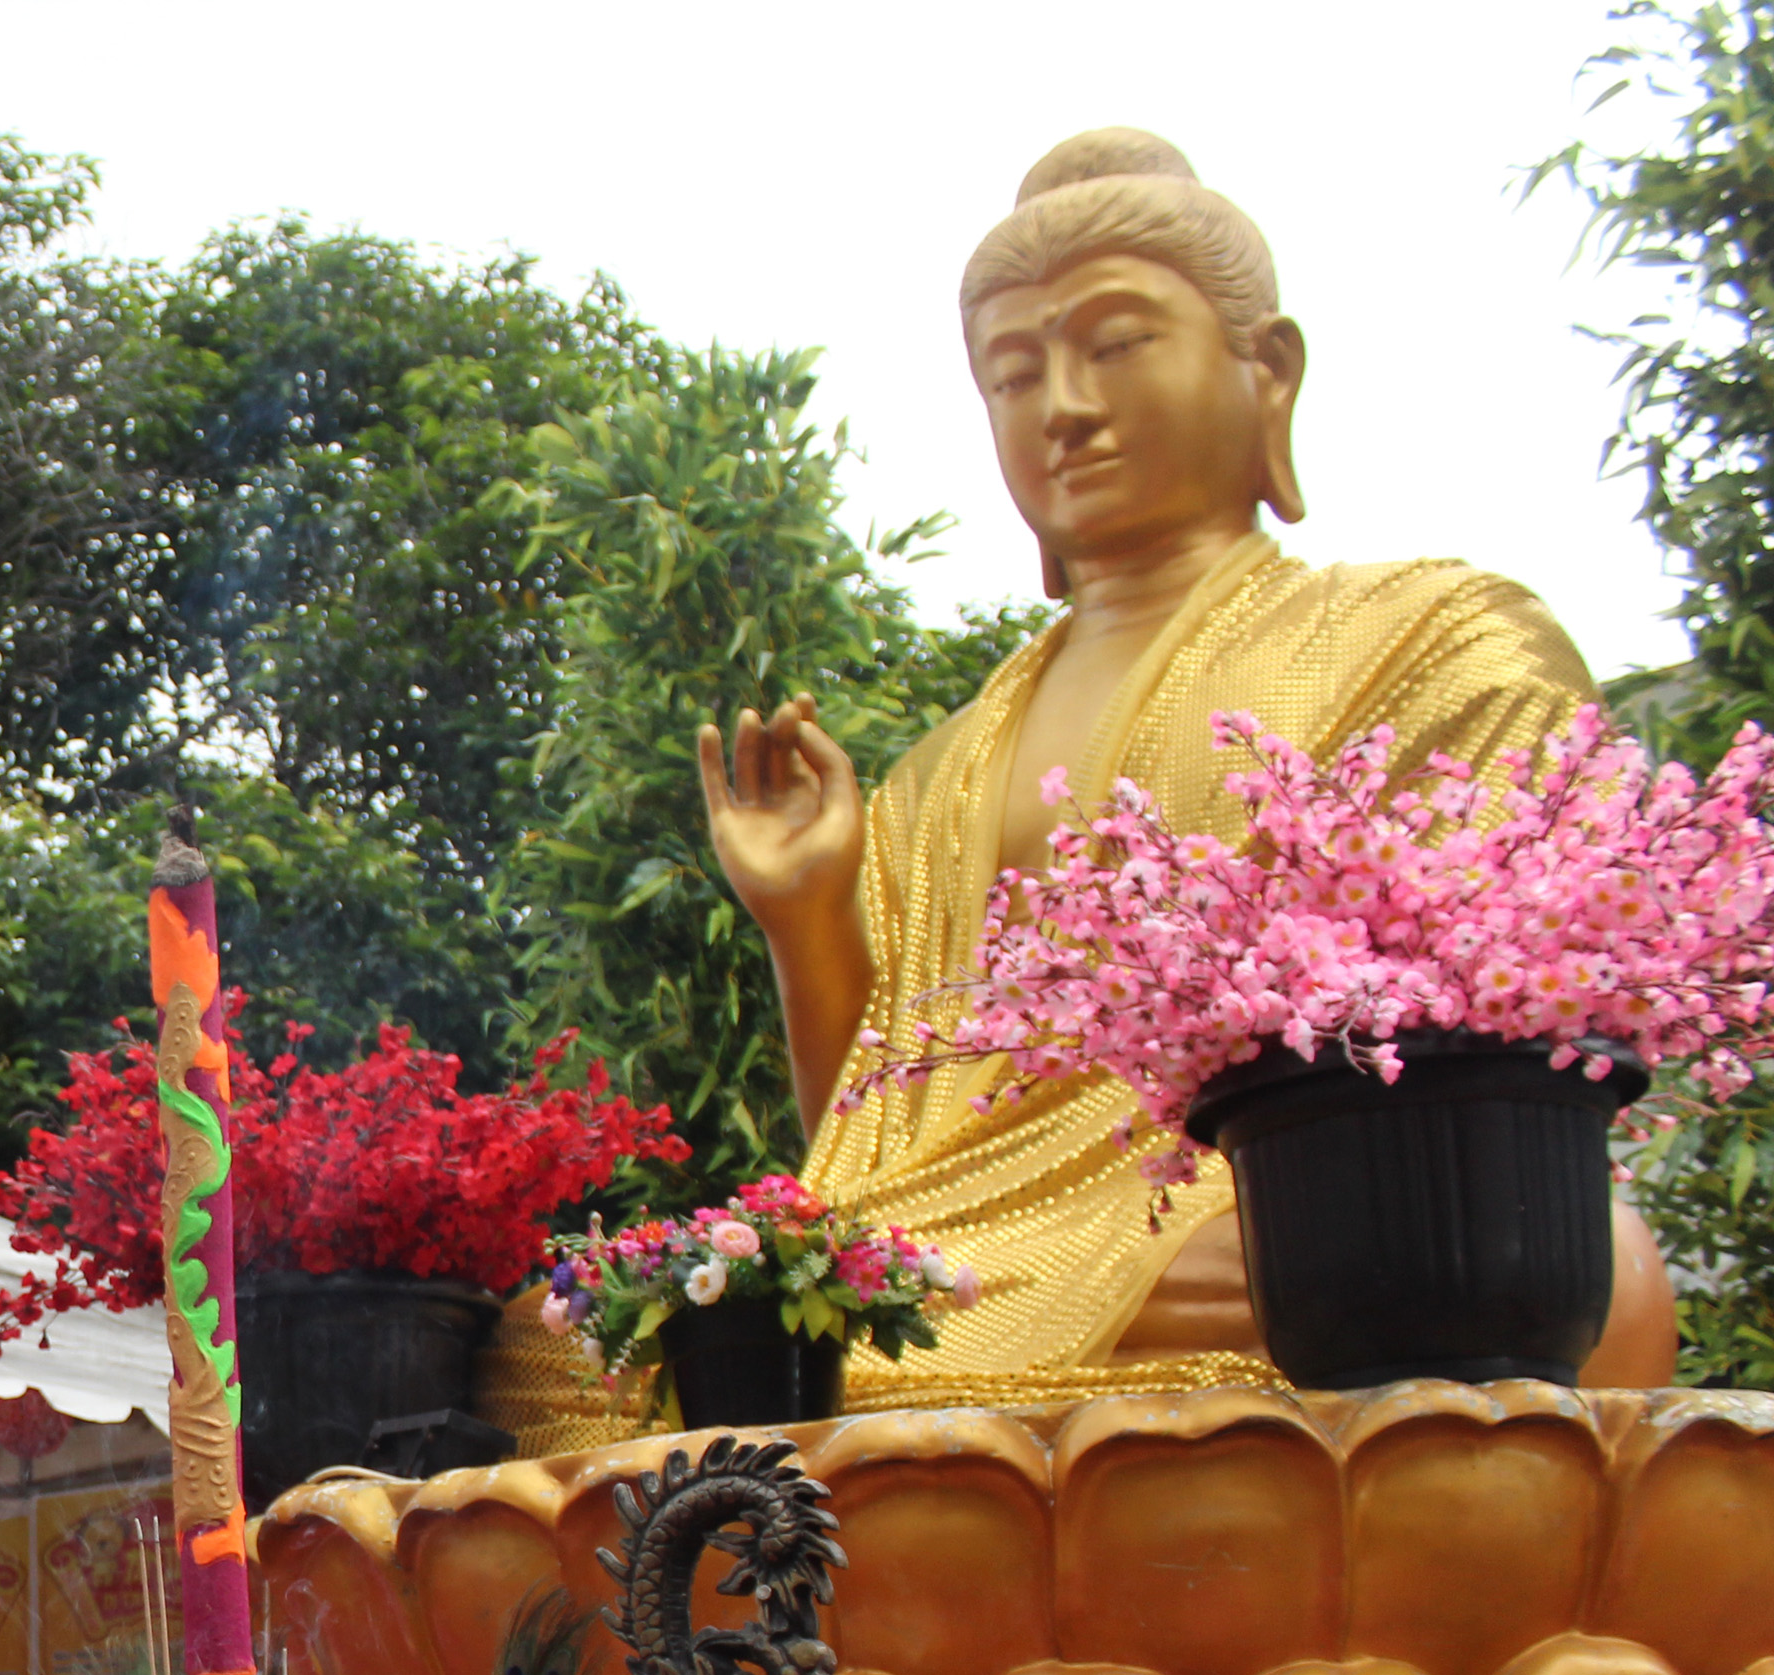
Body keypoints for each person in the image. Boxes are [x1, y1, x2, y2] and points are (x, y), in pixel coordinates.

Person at [486, 128, 1673, 1449]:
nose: (1063, 405)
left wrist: (1285, 1208)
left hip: (1236, 1221)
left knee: (1569, 1274)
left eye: (1116, 345)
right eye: (1014, 371)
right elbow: (883, 1145)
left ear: (1266, 373)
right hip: (969, 1256)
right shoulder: (943, 771)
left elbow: (1496, 1103)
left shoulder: (1439, 640)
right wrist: (808, 918)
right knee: (558, 1348)